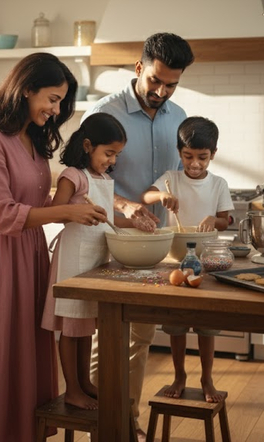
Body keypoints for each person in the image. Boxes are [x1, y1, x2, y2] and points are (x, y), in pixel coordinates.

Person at [0, 52, 109, 442]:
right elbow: (2, 214)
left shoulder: (34, 141)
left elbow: (39, 205)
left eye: (60, 103)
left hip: (30, 252)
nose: (55, 111)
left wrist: (76, 205)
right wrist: (65, 213)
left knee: (26, 348)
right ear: (25, 90)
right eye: (52, 99)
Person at [82, 32, 195, 441]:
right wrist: (125, 205)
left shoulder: (179, 115)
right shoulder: (103, 112)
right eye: (155, 81)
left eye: (171, 84)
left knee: (140, 339)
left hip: (155, 244)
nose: (161, 91)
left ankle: (124, 424)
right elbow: (84, 179)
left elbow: (177, 178)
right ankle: (106, 426)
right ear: (138, 68)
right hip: (109, 238)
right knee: (107, 338)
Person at [141, 116, 233, 402]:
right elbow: (146, 196)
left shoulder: (218, 184)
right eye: (188, 156)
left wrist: (213, 221)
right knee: (176, 324)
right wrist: (161, 197)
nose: (194, 163)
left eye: (202, 157)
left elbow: (227, 219)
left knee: (205, 325)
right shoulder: (171, 179)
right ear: (179, 152)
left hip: (207, 263)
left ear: (213, 155)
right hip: (174, 262)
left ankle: (207, 378)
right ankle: (179, 375)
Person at [41, 113, 129, 410]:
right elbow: (56, 211)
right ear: (89, 145)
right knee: (71, 327)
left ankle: (85, 382)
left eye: (117, 155)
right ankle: (73, 390)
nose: (112, 161)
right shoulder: (73, 176)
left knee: (85, 327)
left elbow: (107, 216)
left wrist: (132, 222)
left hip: (94, 259)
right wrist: (77, 212)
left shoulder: (103, 178)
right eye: (109, 153)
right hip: (73, 261)